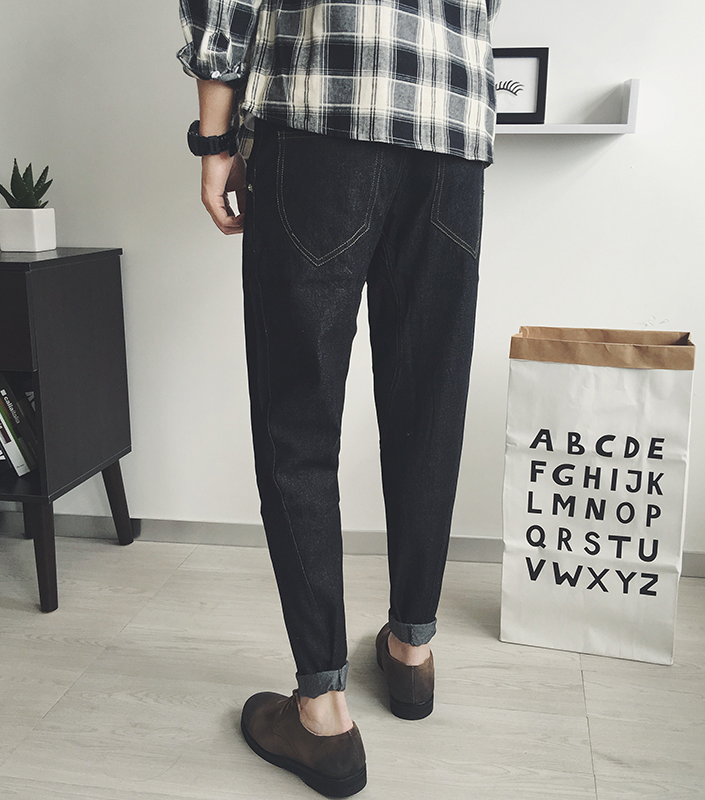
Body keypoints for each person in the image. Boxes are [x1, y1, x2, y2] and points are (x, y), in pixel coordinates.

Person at [178, 0, 500, 794]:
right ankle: (412, 652)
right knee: (429, 411)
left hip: (322, 109)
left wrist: (215, 141)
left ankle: (322, 713)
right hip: (451, 129)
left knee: (299, 420)